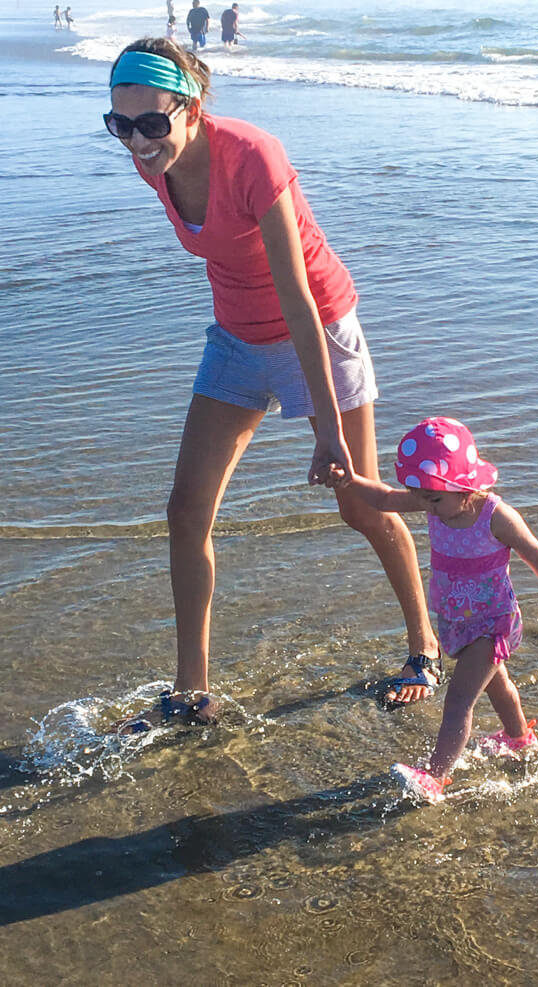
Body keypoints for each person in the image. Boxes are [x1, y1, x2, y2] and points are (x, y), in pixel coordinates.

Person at [103, 39, 441, 731]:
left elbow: (297, 298)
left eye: (152, 123)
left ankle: (426, 648)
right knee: (185, 510)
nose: (137, 141)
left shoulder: (254, 156)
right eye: (122, 125)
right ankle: (191, 693)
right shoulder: (153, 164)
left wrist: (324, 427)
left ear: (190, 108)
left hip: (316, 329)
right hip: (235, 338)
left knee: (361, 503)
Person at [331, 416, 538, 803]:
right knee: (499, 686)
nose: (424, 505)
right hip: (458, 621)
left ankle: (435, 776)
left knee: (459, 700)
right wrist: (349, 481)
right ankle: (519, 739)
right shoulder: (436, 500)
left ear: (464, 487)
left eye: (433, 498)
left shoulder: (496, 517)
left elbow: (534, 552)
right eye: (422, 496)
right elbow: (384, 498)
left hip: (493, 623)